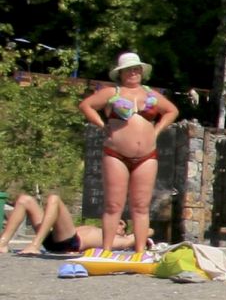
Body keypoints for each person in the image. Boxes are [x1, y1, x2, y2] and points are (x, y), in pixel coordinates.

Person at [79, 52, 179, 257]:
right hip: (116, 153)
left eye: (136, 69)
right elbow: (86, 105)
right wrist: (101, 125)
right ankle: (106, 250)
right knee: (113, 204)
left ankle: (140, 250)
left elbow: (171, 111)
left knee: (141, 205)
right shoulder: (111, 92)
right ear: (121, 73)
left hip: (147, 155)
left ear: (142, 71)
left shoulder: (151, 94)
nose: (133, 73)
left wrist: (157, 130)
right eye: (129, 70)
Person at [2, 191, 143, 255]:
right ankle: (2, 243)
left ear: (124, 230)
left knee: (55, 199)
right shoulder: (95, 228)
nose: (117, 224)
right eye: (116, 222)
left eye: (121, 224)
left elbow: (148, 231)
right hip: (53, 236)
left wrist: (130, 234)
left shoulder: (119, 240)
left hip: (70, 243)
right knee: (24, 199)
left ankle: (35, 245)